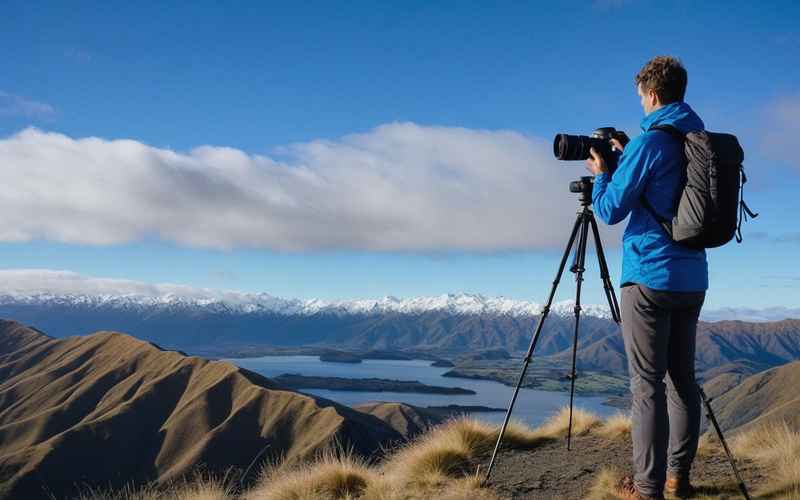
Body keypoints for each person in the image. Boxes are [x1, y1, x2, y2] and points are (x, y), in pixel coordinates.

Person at [585, 56, 707, 500]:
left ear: (652, 94)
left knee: (647, 386)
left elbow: (610, 210)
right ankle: (678, 479)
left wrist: (603, 175)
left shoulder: (650, 142)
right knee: (683, 381)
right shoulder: (697, 136)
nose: (641, 103)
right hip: (693, 278)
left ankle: (647, 488)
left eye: (640, 96)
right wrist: (627, 151)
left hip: (649, 276)